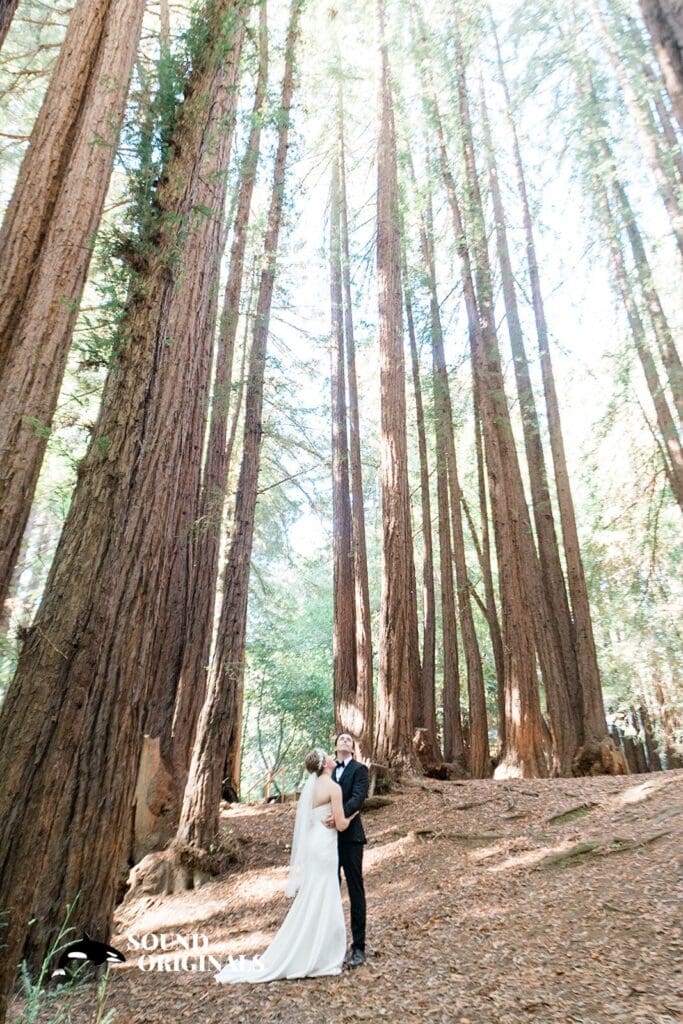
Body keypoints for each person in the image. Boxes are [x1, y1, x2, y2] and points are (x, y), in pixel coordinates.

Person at [214, 748, 358, 984]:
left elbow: (312, 819)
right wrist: (353, 813)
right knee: (324, 894)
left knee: (312, 894)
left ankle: (309, 946)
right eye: (328, 756)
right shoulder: (333, 787)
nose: (332, 757)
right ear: (324, 765)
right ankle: (321, 953)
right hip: (325, 847)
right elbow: (341, 825)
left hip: (314, 845)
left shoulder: (311, 790)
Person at [323, 732, 369, 968]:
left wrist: (339, 816)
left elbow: (358, 798)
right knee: (329, 889)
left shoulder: (360, 770)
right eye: (341, 739)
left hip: (351, 838)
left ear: (353, 749)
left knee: (355, 889)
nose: (345, 741)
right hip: (328, 839)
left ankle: (359, 947)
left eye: (349, 740)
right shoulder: (327, 772)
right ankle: (330, 945)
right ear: (335, 745)